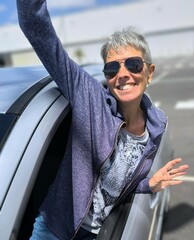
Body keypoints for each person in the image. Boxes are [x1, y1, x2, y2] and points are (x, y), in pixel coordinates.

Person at [16, 1, 189, 239]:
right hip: (55, 229)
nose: (123, 74)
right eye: (112, 69)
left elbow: (119, 185)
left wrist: (148, 185)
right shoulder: (89, 97)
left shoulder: (155, 128)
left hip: (97, 233)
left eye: (133, 64)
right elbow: (35, 25)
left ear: (150, 72)